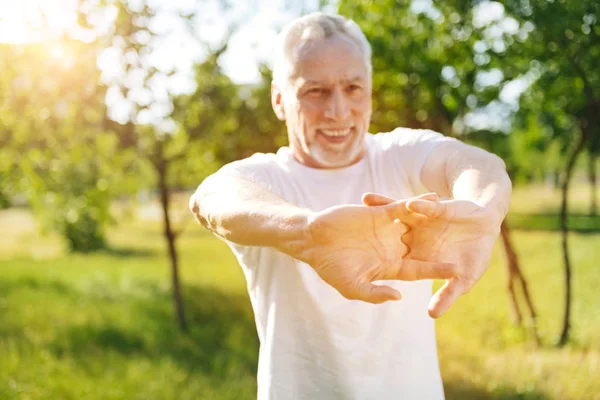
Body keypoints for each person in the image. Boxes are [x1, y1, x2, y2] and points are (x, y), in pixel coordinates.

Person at [189, 12, 511, 400]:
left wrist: (485, 213)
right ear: (279, 99)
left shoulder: (399, 153)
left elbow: (477, 164)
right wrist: (308, 234)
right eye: (316, 91)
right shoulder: (266, 178)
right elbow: (213, 197)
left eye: (353, 88)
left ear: (370, 90)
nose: (338, 111)